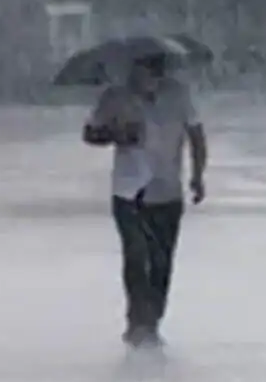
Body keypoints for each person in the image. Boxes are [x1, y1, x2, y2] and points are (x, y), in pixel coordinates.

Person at [82, 52, 207, 347]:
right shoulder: (114, 97)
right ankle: (136, 321)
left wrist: (198, 175)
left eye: (149, 72)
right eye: (137, 72)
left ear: (159, 73)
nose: (142, 79)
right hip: (128, 190)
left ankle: (152, 321)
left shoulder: (178, 95)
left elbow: (197, 136)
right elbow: (90, 133)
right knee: (136, 255)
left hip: (167, 190)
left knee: (162, 261)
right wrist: (115, 134)